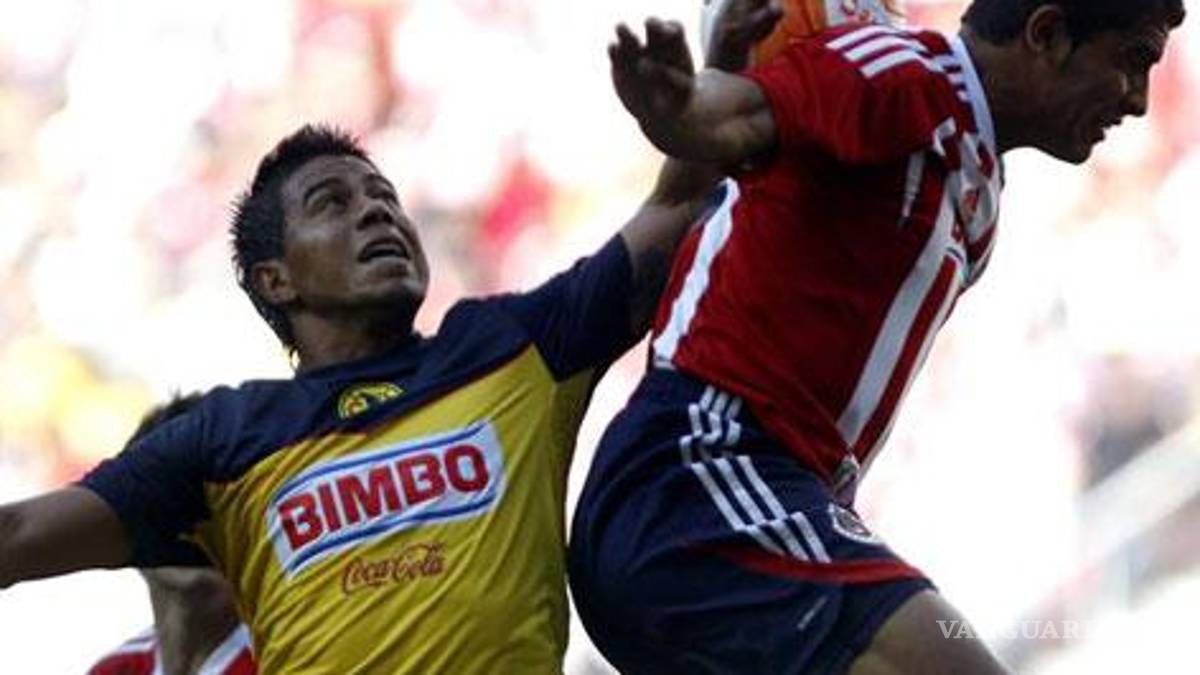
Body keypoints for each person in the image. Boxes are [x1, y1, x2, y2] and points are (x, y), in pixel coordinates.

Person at [0, 4, 783, 673]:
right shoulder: (221, 439)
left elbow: (676, 211)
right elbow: (19, 534)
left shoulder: (514, 346)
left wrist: (699, 95)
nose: (377, 210)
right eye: (332, 203)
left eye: (383, 196)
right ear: (276, 279)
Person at [569, 1, 1185, 673]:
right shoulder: (900, 77)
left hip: (760, 502)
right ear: (1048, 34)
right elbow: (730, 117)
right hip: (694, 482)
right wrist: (679, 107)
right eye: (1132, 61)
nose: (1139, 101)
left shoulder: (976, 178)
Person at [87, 395, 256, 675]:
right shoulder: (113, 670)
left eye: (214, 509)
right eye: (173, 504)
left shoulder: (291, 656)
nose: (194, 529)